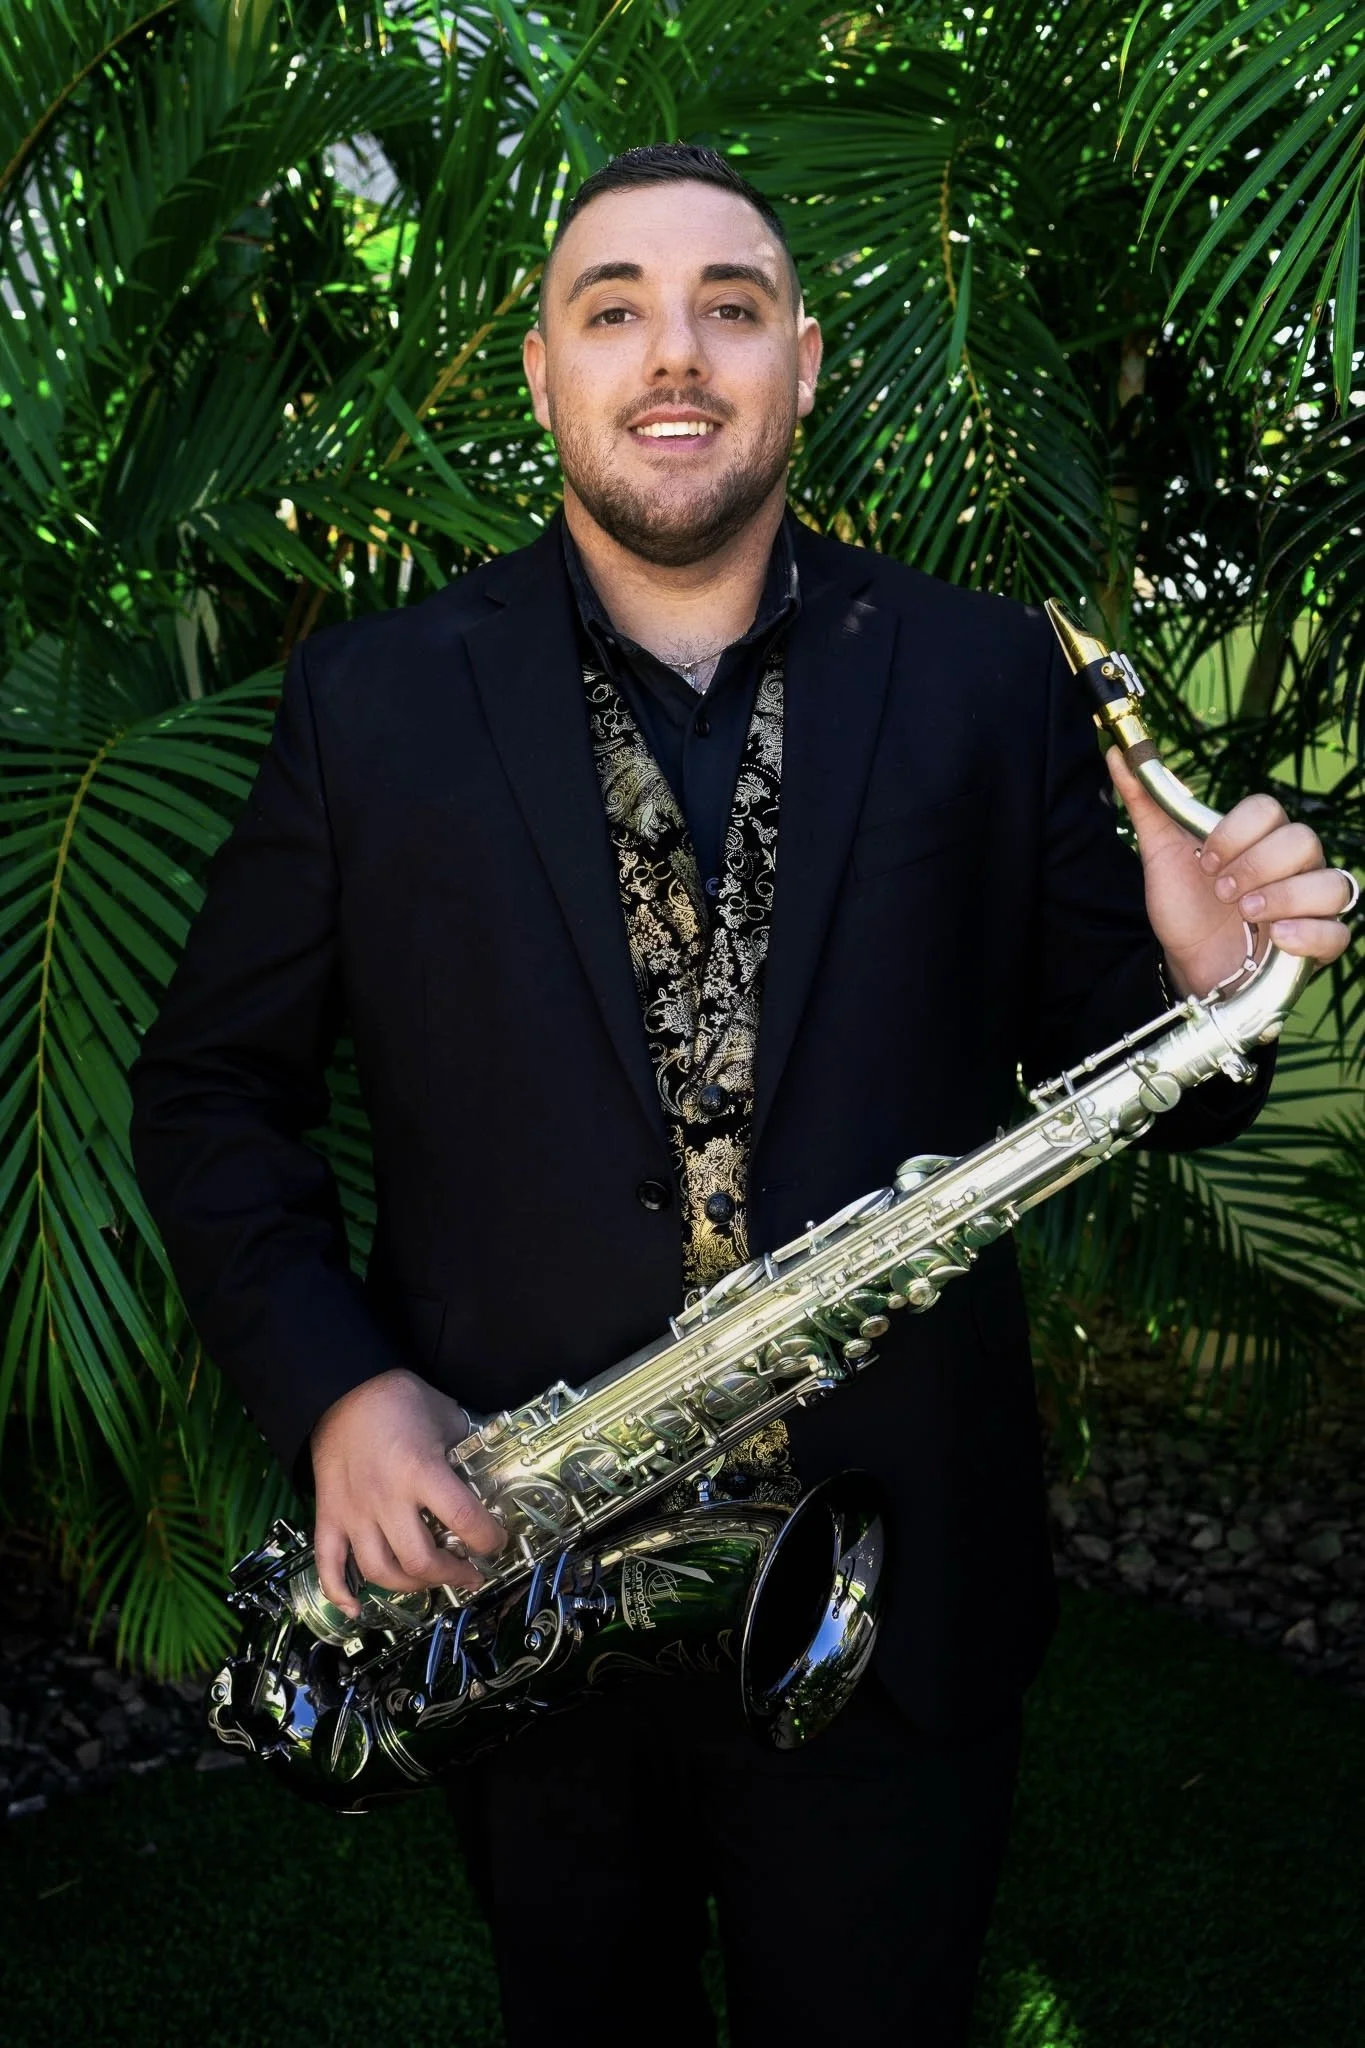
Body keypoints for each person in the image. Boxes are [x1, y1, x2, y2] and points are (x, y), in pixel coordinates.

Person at [128, 144, 1355, 2046]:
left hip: (896, 1588)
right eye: (611, 306)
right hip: (520, 1568)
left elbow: (1154, 1088)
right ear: (541, 373)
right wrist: (343, 1392)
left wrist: (1211, 989)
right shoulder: (370, 703)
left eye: (731, 305)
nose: (671, 351)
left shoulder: (981, 674)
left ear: (795, 367)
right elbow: (210, 1094)